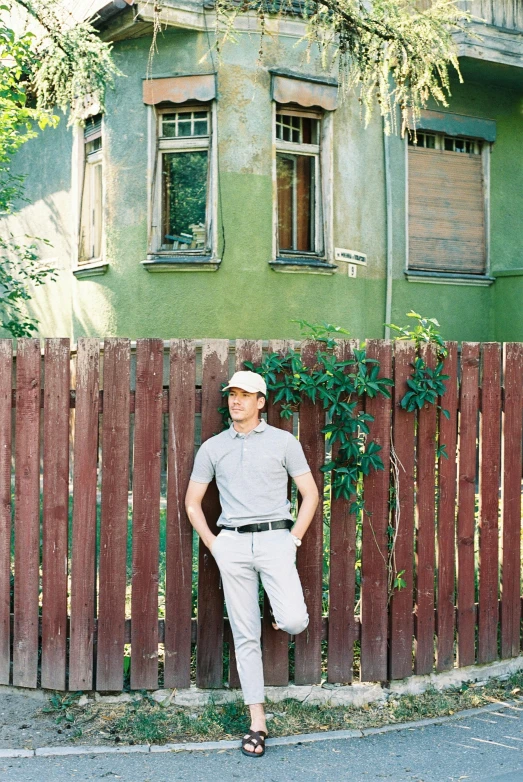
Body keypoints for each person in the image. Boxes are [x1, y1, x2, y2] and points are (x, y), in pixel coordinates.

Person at [185, 370, 319, 757]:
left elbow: (309, 495)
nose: (236, 401)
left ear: (261, 402)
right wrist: (214, 544)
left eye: (246, 395)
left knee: (294, 620)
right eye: (232, 394)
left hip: (276, 539)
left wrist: (292, 539)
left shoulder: (284, 442)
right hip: (233, 545)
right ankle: (257, 721)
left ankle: (275, 609)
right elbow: (193, 503)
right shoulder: (212, 448)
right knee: (245, 634)